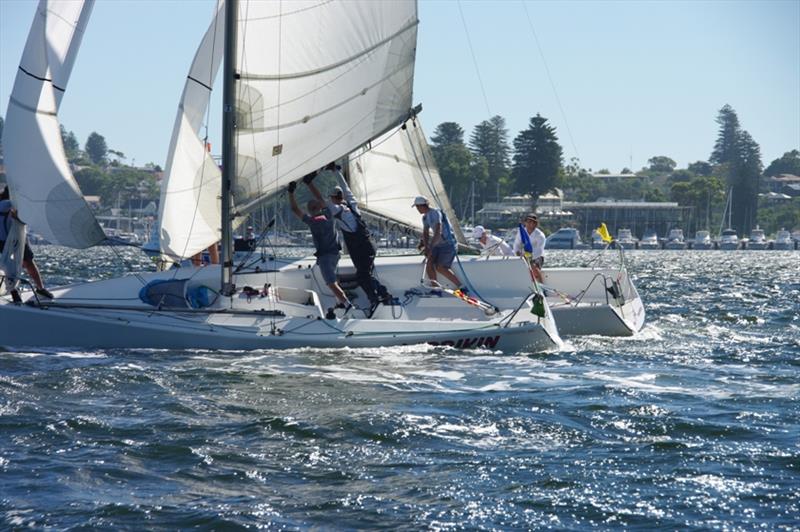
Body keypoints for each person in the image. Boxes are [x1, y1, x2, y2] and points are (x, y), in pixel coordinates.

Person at [305, 163, 390, 311]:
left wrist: (309, 183)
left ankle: (375, 302)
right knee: (365, 274)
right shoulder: (352, 204)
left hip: (361, 249)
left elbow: (320, 199)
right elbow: (346, 188)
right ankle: (383, 294)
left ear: (333, 198)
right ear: (341, 197)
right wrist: (335, 171)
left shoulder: (336, 210)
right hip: (369, 245)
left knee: (362, 276)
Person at [287, 180, 350, 309]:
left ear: (309, 211)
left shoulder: (311, 221)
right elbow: (320, 198)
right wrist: (309, 183)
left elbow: (294, 209)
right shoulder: (329, 216)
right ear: (320, 207)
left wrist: (291, 192)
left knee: (331, 283)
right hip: (335, 254)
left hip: (326, 257)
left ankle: (347, 304)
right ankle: (339, 302)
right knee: (333, 277)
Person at [0, 185, 53, 298]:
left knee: (19, 263)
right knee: (20, 264)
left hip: (12, 240)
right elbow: (23, 219)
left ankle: (32, 289)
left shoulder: (10, 204)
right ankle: (22, 290)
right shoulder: (7, 204)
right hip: (8, 241)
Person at [413, 195, 466, 291]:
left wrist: (431, 247)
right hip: (438, 244)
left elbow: (438, 231)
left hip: (448, 244)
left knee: (440, 267)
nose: (417, 209)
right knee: (429, 263)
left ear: (422, 206)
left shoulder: (436, 213)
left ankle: (461, 286)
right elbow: (425, 233)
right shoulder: (425, 217)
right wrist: (426, 247)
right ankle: (435, 288)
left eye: (417, 207)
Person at [512, 213, 546, 282]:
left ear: (535, 224)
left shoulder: (540, 235)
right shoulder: (521, 233)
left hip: (537, 256)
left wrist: (529, 257)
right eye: (528, 222)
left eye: (533, 222)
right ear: (525, 223)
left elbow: (539, 251)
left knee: (533, 266)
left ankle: (541, 286)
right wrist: (518, 255)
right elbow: (516, 246)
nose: (530, 224)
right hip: (523, 256)